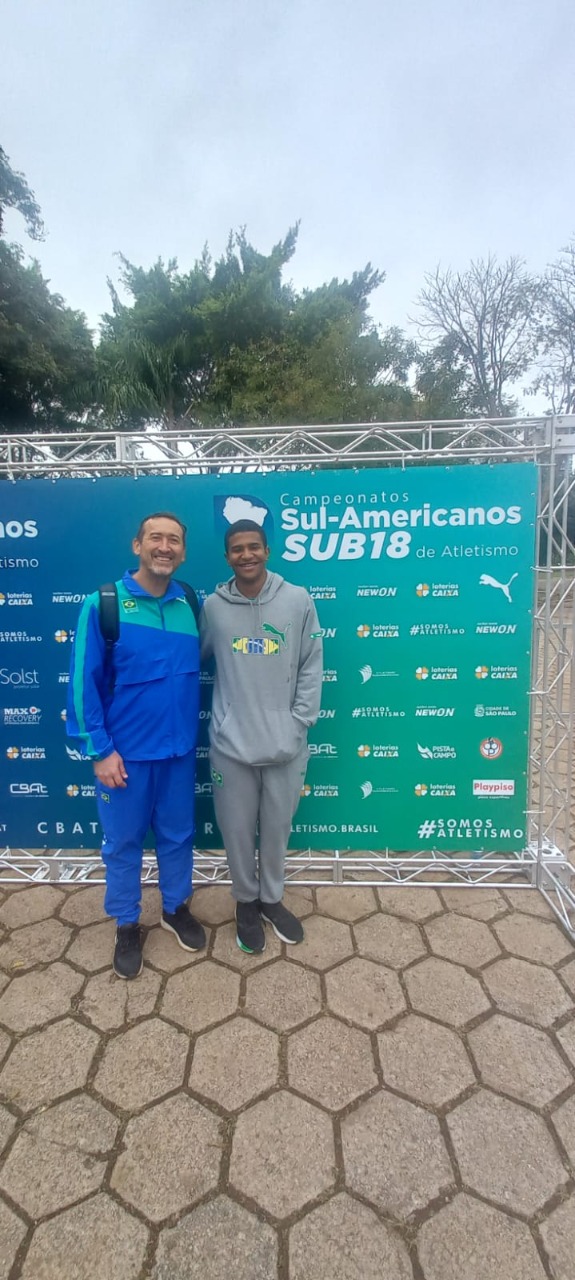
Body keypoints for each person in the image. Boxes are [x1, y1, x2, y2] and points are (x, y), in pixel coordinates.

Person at [67, 512, 205, 979]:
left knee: (178, 836)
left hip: (179, 753)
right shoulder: (103, 604)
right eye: (155, 538)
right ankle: (127, 923)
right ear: (137, 545)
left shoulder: (189, 602)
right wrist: (100, 751)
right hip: (124, 758)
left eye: (174, 540)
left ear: (183, 552)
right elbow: (82, 684)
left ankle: (175, 909)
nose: (164, 547)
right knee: (123, 843)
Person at [200, 518, 323, 953]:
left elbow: (311, 665)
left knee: (276, 829)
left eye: (254, 546)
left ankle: (271, 899)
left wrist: (298, 722)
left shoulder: (297, 600)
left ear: (267, 551)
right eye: (238, 549)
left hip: (285, 744)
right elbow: (191, 658)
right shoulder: (213, 607)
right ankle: (245, 902)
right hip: (231, 746)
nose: (246, 555)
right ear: (227, 557)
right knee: (236, 831)